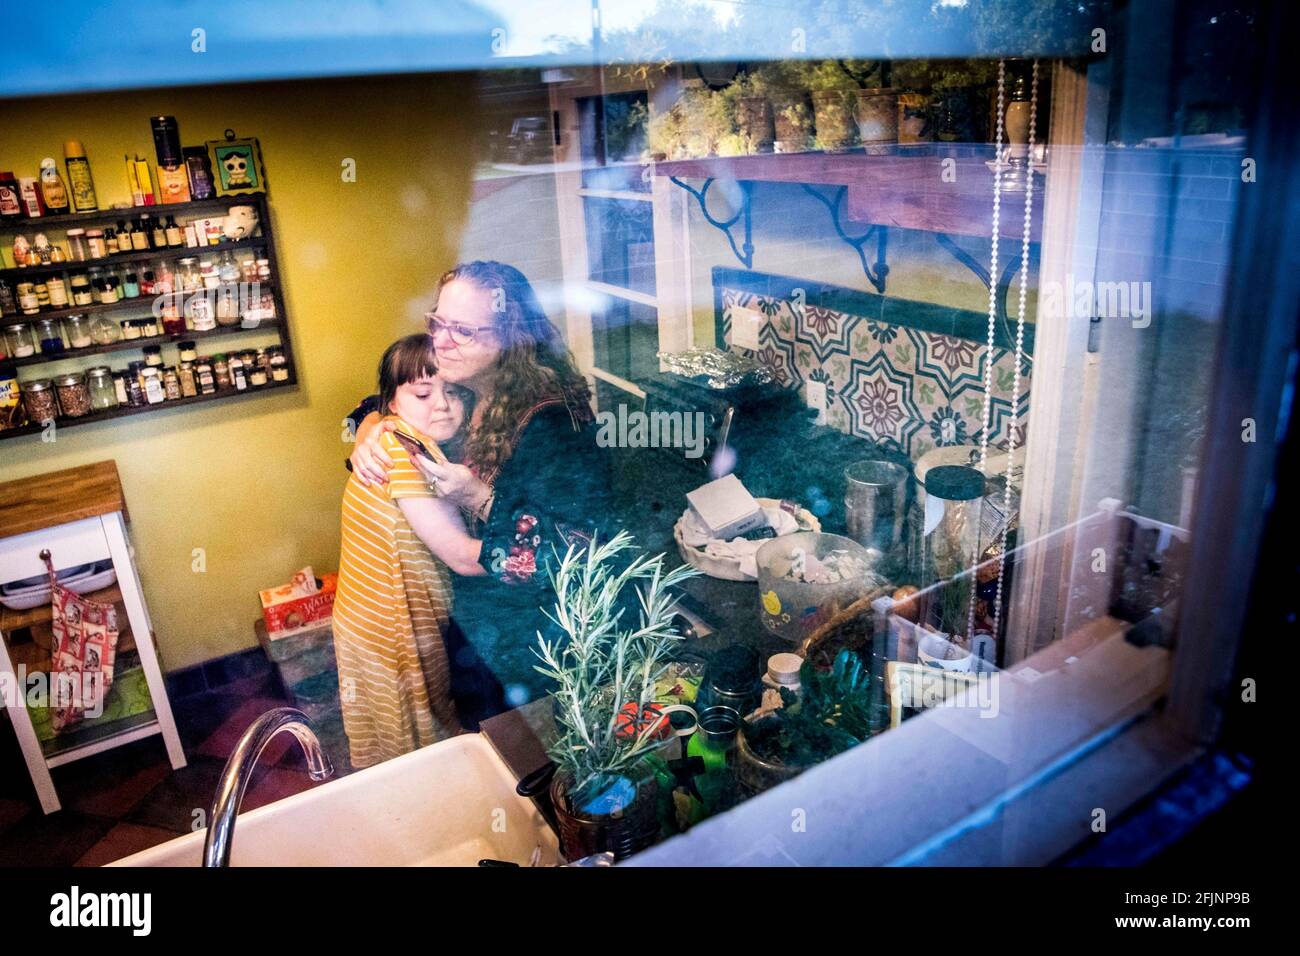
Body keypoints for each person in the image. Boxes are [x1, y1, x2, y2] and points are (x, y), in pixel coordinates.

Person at [347, 261, 621, 726]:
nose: (442, 341)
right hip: (477, 620)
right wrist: (370, 430)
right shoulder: (463, 381)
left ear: (513, 338)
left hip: (532, 640)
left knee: (527, 761)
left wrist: (478, 498)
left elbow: (574, 549)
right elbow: (382, 399)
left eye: (465, 331)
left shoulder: (550, 424)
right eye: (438, 323)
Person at [332, 335, 485, 768]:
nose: (441, 404)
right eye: (422, 393)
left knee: (398, 742)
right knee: (415, 757)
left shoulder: (406, 438)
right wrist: (552, 555)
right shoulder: (404, 453)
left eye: (454, 391)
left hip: (369, 621)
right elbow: (461, 556)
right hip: (390, 632)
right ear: (393, 403)